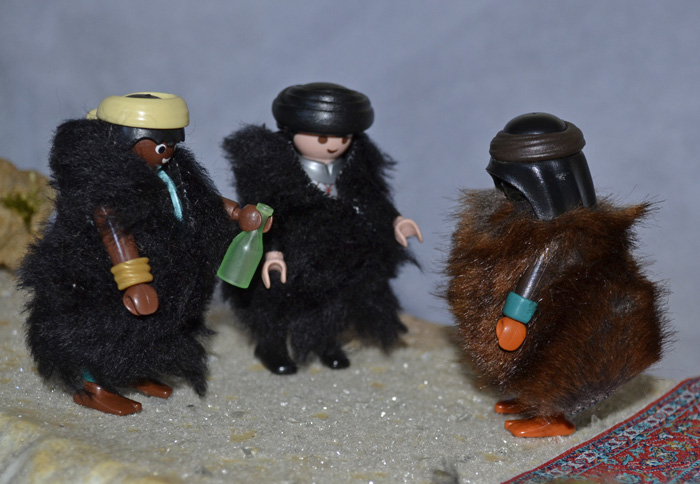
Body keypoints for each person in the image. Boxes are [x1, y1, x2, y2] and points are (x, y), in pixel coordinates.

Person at [20, 92, 268, 415]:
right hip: (105, 278)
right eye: (161, 146)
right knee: (105, 331)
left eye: (173, 143)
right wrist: (134, 281)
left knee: (153, 330)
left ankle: (133, 371)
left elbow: (203, 202)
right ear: (127, 141)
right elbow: (114, 231)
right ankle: (93, 385)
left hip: (162, 270)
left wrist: (238, 213)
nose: (169, 152)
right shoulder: (108, 183)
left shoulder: (173, 170)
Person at [446, 112, 667, 437]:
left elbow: (536, 278)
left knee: (555, 360)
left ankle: (553, 415)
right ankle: (531, 399)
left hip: (567, 327)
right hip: (547, 321)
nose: (504, 191)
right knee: (530, 359)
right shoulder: (534, 225)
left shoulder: (564, 237)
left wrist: (515, 318)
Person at [222, 82, 422, 375]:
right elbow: (266, 210)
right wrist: (273, 252)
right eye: (323, 137)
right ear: (292, 131)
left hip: (338, 244)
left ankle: (326, 341)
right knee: (279, 299)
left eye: (344, 137)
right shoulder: (274, 167)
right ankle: (272, 345)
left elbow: (371, 197)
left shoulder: (354, 162)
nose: (333, 145)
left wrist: (395, 220)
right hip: (292, 245)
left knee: (338, 297)